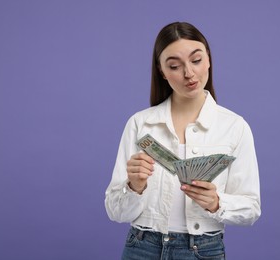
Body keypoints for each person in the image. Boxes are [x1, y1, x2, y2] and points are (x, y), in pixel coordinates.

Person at [105, 21, 261, 259]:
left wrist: (217, 203)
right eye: (175, 66)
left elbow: (251, 209)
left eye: (196, 60)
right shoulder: (140, 124)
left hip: (203, 250)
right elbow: (115, 212)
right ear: (162, 71)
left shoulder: (235, 127)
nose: (189, 73)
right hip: (142, 247)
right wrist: (134, 187)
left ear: (208, 59)